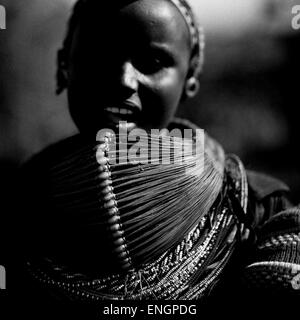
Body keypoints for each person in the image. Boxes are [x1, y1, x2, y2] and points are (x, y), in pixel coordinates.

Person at [17, 0, 299, 309]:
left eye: (151, 61)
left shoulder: (260, 210)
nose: (123, 80)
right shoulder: (16, 205)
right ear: (63, 67)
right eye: (100, 55)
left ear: (189, 78)